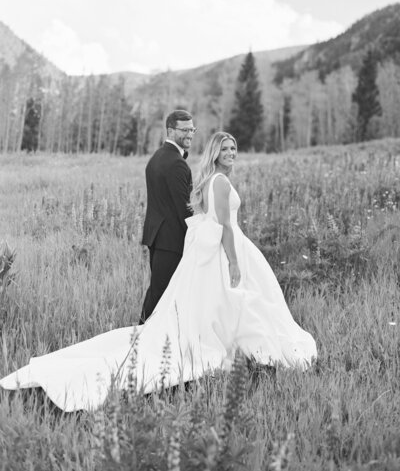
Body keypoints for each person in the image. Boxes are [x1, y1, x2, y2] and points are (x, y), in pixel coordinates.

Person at [0, 132, 317, 412]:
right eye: (226, 149)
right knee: (234, 301)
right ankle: (240, 347)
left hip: (219, 250)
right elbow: (224, 227)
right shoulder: (220, 182)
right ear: (215, 154)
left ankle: (233, 344)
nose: (232, 153)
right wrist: (234, 262)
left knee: (222, 304)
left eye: (234, 148)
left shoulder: (212, 180)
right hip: (227, 250)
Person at [139, 109, 195, 324]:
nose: (190, 134)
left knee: (160, 290)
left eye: (192, 129)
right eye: (185, 130)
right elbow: (184, 209)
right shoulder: (176, 163)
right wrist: (199, 233)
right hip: (171, 239)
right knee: (160, 293)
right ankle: (140, 335)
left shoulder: (157, 157)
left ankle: (149, 333)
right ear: (171, 130)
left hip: (158, 236)